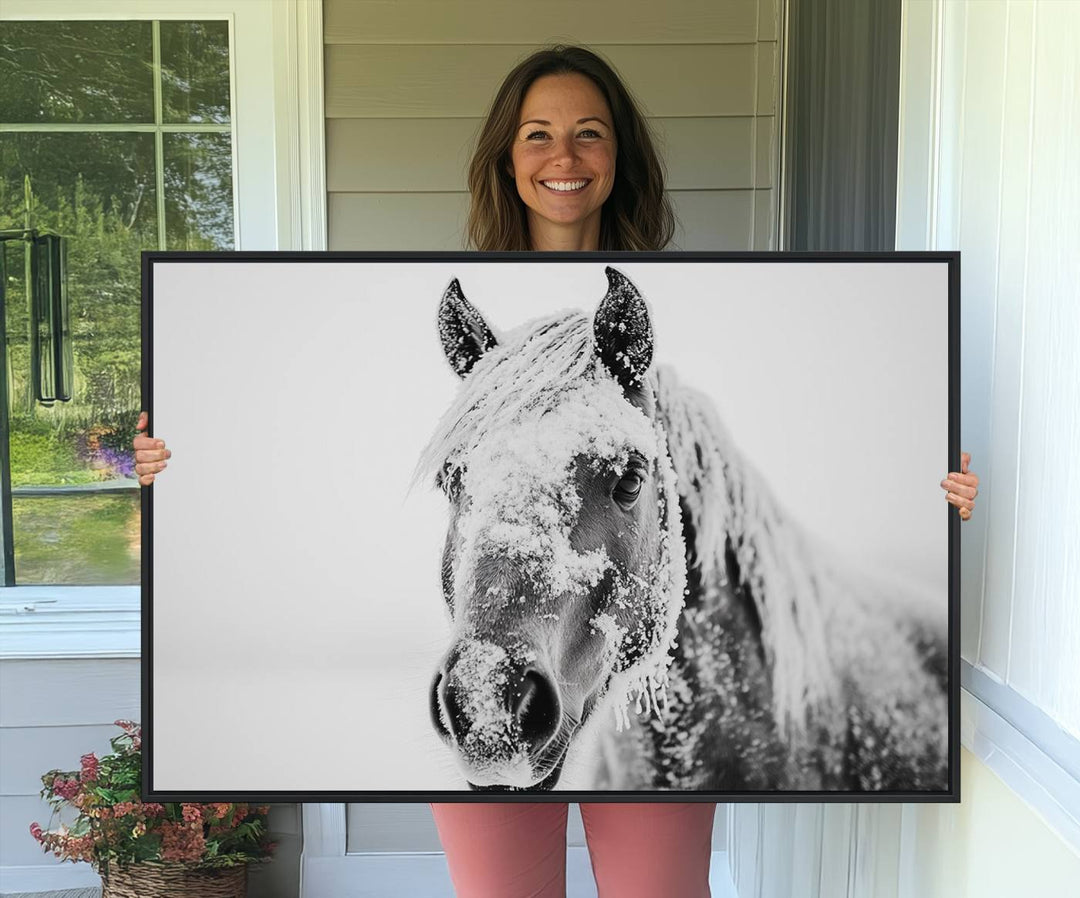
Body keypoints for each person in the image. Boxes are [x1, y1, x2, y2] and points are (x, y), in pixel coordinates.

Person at [133, 45, 979, 898]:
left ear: (619, 159)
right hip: (502, 657)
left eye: (589, 134)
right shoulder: (455, 309)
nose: (563, 157)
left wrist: (934, 487)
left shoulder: (674, 313)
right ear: (508, 157)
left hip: (629, 677)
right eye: (537, 135)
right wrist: (179, 464)